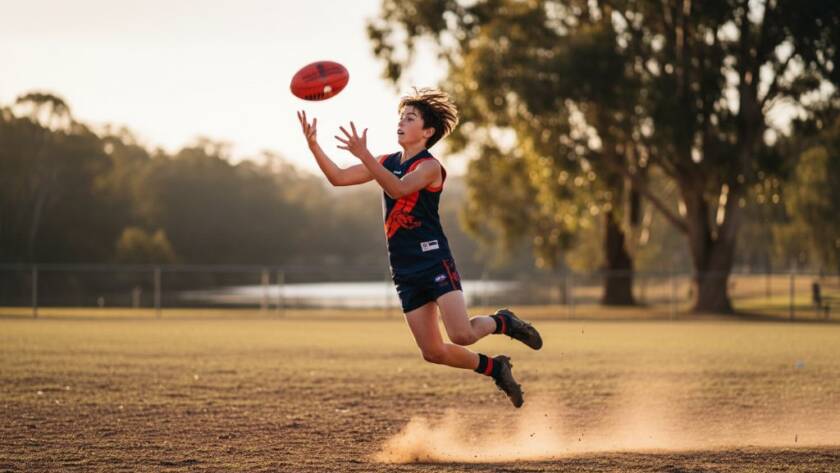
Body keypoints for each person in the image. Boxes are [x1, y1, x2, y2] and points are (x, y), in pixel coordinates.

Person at [296, 88, 542, 407]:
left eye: (410, 118)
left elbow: (398, 189)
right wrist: (314, 146)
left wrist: (365, 155)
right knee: (433, 352)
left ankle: (503, 321)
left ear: (427, 132)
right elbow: (338, 179)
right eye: (401, 116)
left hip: (433, 259)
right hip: (404, 269)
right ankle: (496, 368)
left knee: (462, 335)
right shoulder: (386, 161)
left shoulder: (430, 167)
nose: (401, 121)